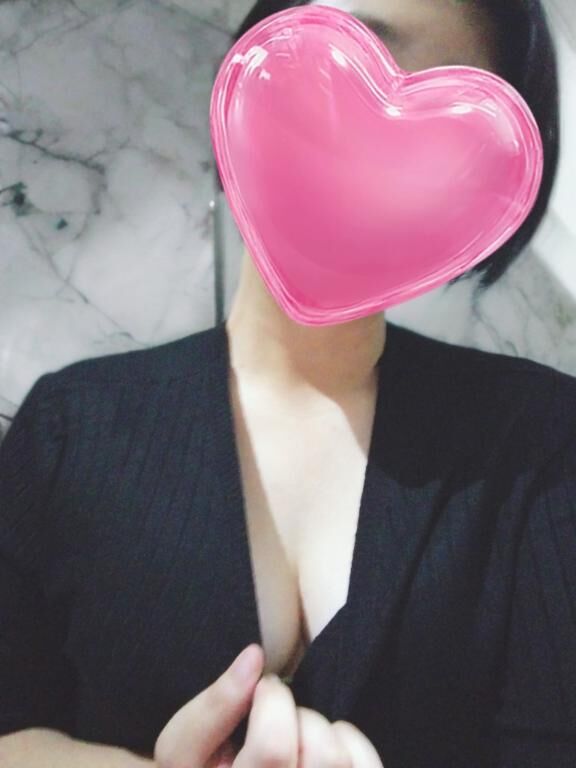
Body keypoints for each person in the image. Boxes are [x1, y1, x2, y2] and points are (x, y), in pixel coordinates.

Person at [0, 1, 573, 767]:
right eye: (344, 63)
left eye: (452, 131)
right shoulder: (70, 429)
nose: (383, 147)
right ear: (249, 74)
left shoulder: (543, 444)